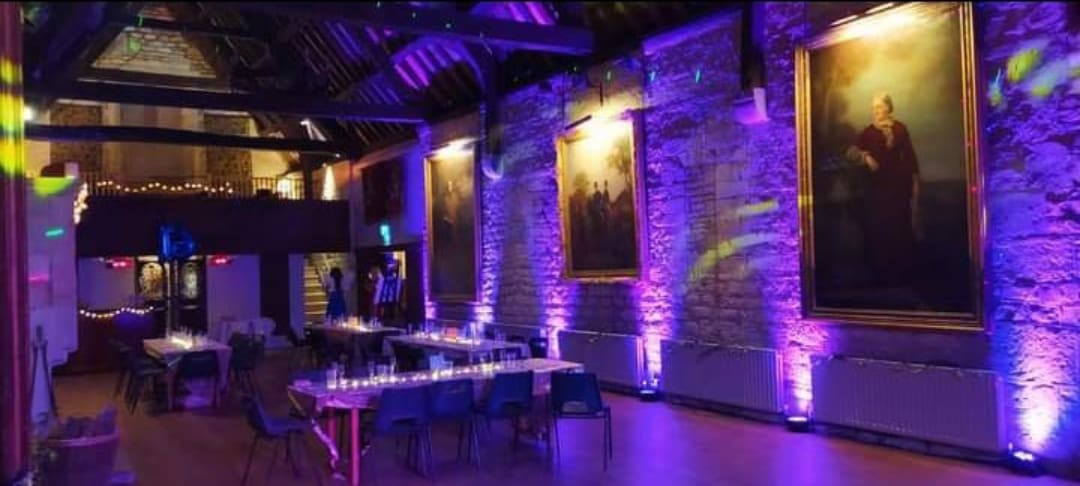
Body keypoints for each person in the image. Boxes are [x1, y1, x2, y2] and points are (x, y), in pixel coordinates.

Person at [845, 92, 920, 288]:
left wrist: (914, 184)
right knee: (879, 232)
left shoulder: (900, 129)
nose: (875, 111)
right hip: (877, 190)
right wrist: (866, 157)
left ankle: (903, 277)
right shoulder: (868, 132)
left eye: (879, 107)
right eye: (873, 108)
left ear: (888, 107)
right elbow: (850, 153)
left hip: (899, 189)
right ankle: (882, 277)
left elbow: (910, 158)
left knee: (900, 230)